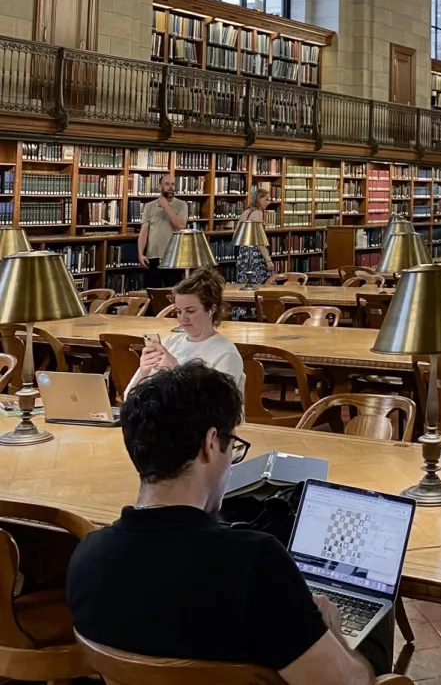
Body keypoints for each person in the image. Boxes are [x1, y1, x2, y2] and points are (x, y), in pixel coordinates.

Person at [67, 362, 376, 684]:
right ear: (210, 443)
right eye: (233, 447)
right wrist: (331, 632)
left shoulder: (86, 557)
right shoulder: (255, 564)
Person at [125, 268, 245, 397]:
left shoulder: (226, 354)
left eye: (191, 311)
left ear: (212, 309)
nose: (183, 318)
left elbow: (214, 412)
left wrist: (176, 373)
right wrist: (144, 372)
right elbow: (129, 397)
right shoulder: (169, 343)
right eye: (179, 311)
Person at [138, 174, 188, 288]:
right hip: (153, 257)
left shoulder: (181, 205)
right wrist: (140, 253)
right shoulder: (149, 206)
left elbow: (180, 225)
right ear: (160, 187)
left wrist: (166, 207)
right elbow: (144, 232)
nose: (170, 187)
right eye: (167, 184)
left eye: (173, 184)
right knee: (152, 292)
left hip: (173, 257)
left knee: (172, 292)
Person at [235, 189, 275, 284]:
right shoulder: (258, 213)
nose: (268, 203)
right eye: (266, 199)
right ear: (259, 199)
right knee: (265, 285)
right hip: (255, 255)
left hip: (244, 253)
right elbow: (259, 240)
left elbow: (236, 234)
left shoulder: (246, 212)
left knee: (246, 284)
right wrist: (268, 259)